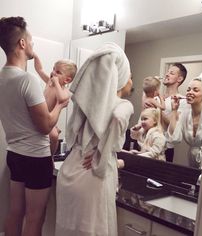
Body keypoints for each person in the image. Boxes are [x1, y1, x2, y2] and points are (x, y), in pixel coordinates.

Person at [55, 42, 134, 236]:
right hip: (93, 176)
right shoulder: (124, 105)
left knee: (69, 229)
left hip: (70, 169)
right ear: (120, 77)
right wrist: (102, 154)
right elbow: (116, 118)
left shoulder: (86, 105)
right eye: (130, 75)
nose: (131, 80)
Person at [0, 16, 68, 236]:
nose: (32, 45)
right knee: (35, 217)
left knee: (15, 212)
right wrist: (60, 104)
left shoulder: (2, 78)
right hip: (35, 158)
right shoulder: (26, 80)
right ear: (21, 43)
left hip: (15, 154)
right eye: (30, 41)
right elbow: (45, 126)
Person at [167, 71, 202, 169]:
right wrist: (174, 110)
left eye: (195, 90)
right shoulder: (184, 114)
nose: (190, 92)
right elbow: (174, 139)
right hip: (192, 160)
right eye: (188, 90)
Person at [33, 53, 77, 155]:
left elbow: (61, 98)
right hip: (40, 114)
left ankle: (51, 156)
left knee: (54, 136)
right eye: (53, 69)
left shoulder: (65, 91)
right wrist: (35, 56)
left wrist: (56, 83)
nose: (53, 73)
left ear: (67, 80)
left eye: (58, 72)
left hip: (50, 119)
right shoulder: (49, 82)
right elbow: (39, 70)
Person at [145, 63, 188, 162]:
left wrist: (158, 108)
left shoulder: (182, 101)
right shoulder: (156, 97)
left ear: (179, 79)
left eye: (171, 73)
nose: (167, 74)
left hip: (166, 148)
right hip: (149, 143)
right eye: (167, 72)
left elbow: (174, 126)